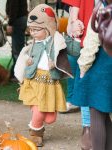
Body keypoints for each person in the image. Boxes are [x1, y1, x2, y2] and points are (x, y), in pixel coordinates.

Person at [14, 4, 72, 147]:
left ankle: (36, 120)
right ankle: (35, 133)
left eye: (36, 29)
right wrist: (28, 62)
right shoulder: (33, 44)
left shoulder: (57, 42)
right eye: (31, 30)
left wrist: (75, 38)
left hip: (49, 81)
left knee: (51, 117)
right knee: (39, 111)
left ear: (48, 28)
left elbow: (73, 50)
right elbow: (28, 58)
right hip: (34, 80)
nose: (32, 33)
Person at [72, 0, 112, 149]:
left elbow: (91, 42)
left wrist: (83, 66)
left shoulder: (102, 9)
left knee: (96, 112)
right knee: (104, 111)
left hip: (101, 67)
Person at [61, 0, 96, 149]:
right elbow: (74, 9)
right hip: (87, 42)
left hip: (108, 39)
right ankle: (87, 128)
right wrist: (73, 23)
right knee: (84, 84)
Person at [5, 0, 28, 82]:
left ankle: (18, 74)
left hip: (17, 20)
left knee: (17, 51)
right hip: (21, 19)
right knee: (19, 49)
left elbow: (13, 8)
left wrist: (10, 23)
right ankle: (16, 73)